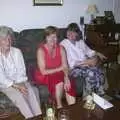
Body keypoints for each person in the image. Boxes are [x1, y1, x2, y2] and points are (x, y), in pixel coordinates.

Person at [0, 26, 42, 119]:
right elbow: (2, 78)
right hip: (5, 85)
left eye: (9, 38)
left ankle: (38, 117)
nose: (8, 42)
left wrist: (22, 84)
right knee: (18, 95)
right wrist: (17, 86)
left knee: (31, 91)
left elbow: (21, 71)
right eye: (4, 39)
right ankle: (30, 117)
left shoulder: (17, 52)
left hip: (19, 80)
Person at [34, 26, 76, 109]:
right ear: (45, 38)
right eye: (50, 37)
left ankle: (73, 109)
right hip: (44, 75)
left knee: (69, 83)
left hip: (58, 72)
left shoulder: (61, 48)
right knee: (59, 81)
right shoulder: (41, 50)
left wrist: (66, 77)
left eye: (55, 37)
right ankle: (59, 106)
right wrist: (60, 69)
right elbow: (43, 71)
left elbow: (65, 66)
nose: (53, 39)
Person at [60, 23, 105, 97]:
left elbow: (89, 51)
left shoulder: (80, 42)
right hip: (72, 69)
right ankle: (88, 97)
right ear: (66, 32)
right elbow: (70, 63)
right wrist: (86, 62)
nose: (70, 33)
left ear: (77, 34)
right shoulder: (63, 44)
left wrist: (97, 54)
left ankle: (98, 95)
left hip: (85, 65)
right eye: (69, 31)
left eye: (73, 32)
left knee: (98, 71)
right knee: (91, 72)